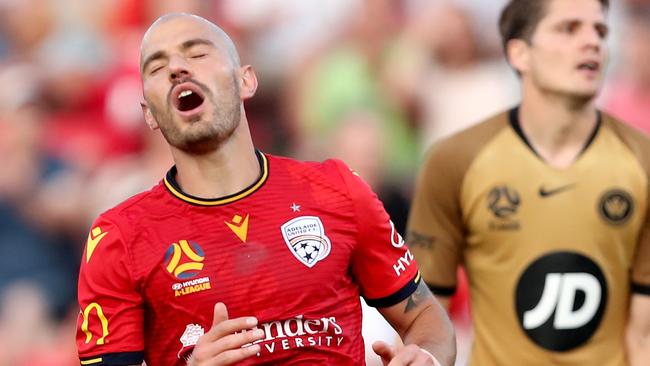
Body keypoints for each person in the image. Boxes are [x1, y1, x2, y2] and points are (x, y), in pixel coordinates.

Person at [75, 13, 455, 366]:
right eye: (157, 67)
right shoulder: (119, 236)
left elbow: (425, 317)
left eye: (197, 53)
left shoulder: (337, 189)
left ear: (246, 81)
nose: (176, 68)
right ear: (149, 114)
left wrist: (427, 359)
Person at [406, 0, 650, 365]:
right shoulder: (454, 160)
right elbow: (425, 319)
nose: (593, 42)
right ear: (520, 53)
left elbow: (644, 334)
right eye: (569, 29)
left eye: (599, 31)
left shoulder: (642, 162)